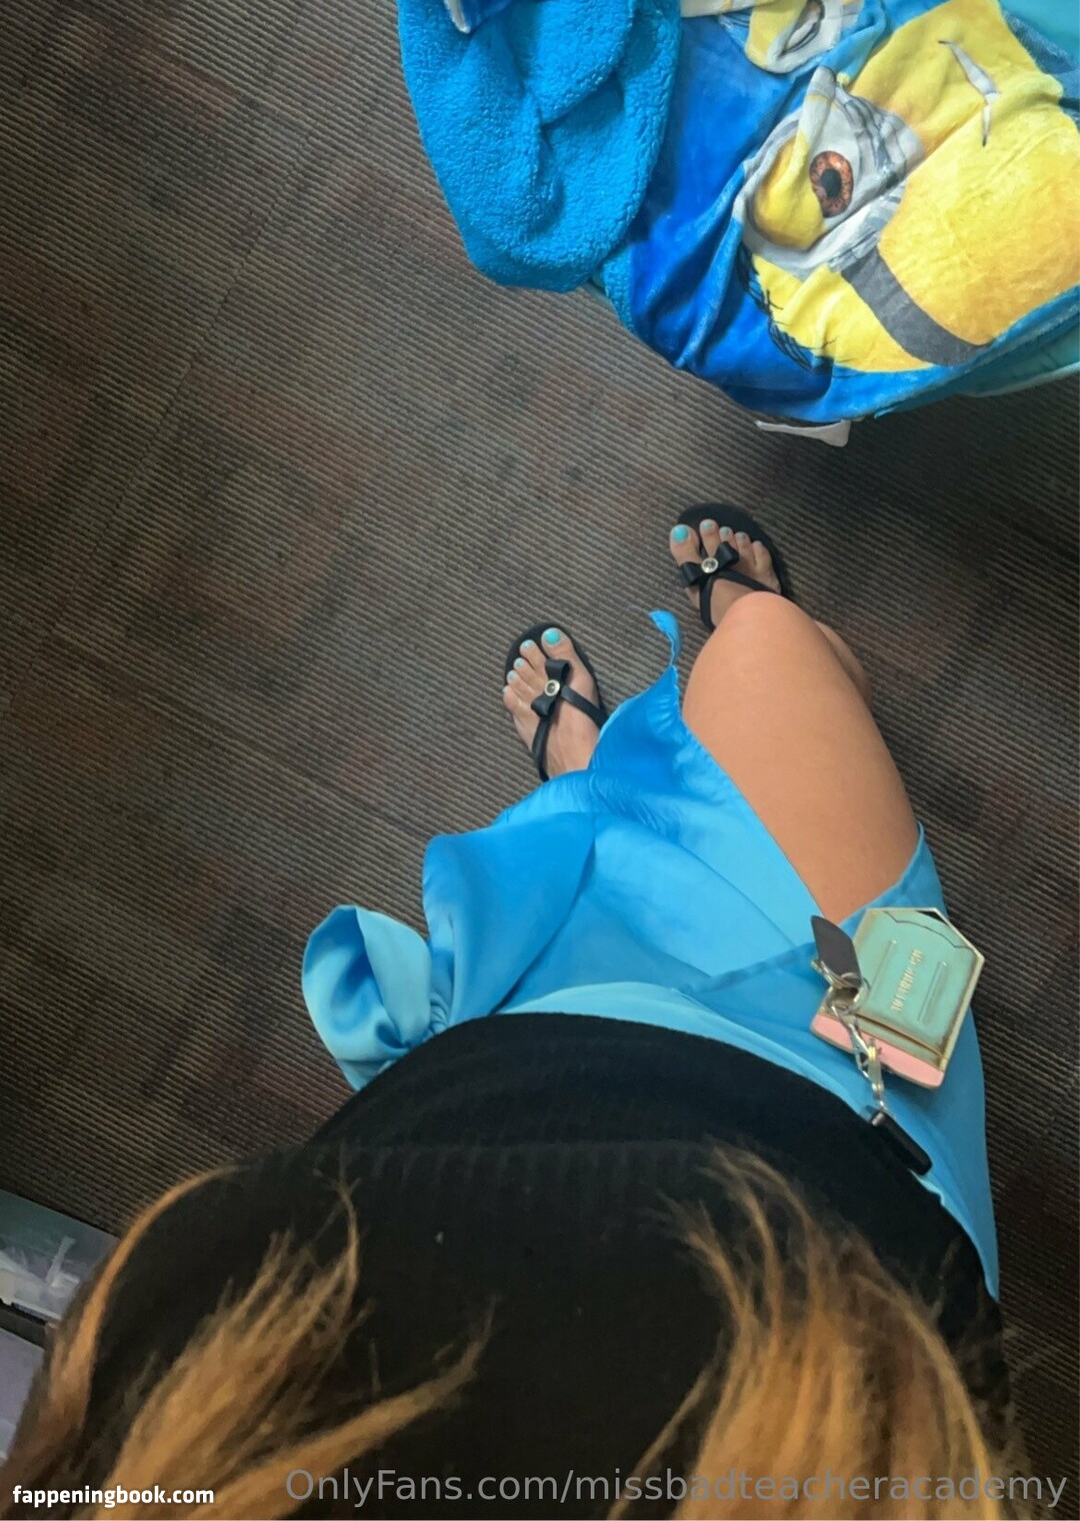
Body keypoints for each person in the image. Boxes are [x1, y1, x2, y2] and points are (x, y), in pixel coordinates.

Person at [1, 509, 1020, 1521]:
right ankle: (669, 728)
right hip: (825, 1086)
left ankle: (601, 796)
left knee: (668, 785)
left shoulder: (127, 1464)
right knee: (769, 645)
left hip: (533, 1042)